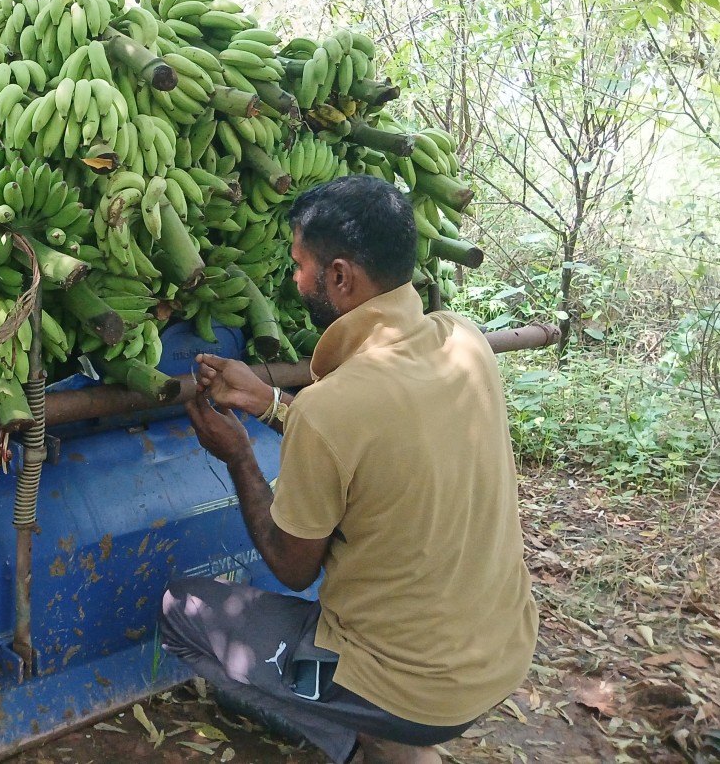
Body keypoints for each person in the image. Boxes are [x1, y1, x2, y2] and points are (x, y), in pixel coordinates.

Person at [160, 175, 537, 764]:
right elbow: (382, 437)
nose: (293, 280)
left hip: (404, 689)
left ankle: (362, 744)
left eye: (299, 265)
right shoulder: (463, 340)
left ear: (339, 276)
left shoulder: (332, 407)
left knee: (180, 611)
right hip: (502, 656)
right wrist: (271, 405)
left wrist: (238, 456)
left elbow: (291, 565)